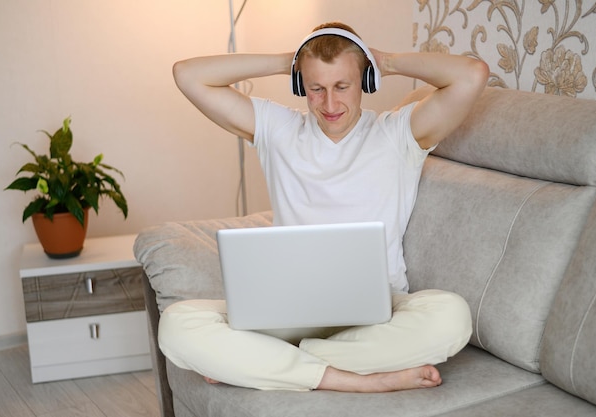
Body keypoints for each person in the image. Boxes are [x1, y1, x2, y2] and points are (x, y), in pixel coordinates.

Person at [160, 22, 489, 393]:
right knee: (176, 324)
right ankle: (356, 380)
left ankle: (265, 362)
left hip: (379, 310)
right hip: (286, 308)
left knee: (451, 317)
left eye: (342, 86)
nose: (330, 104)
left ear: (365, 79)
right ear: (301, 85)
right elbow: (186, 74)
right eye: (316, 88)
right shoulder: (276, 128)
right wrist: (292, 60)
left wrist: (386, 61)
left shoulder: (399, 134)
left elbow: (471, 75)